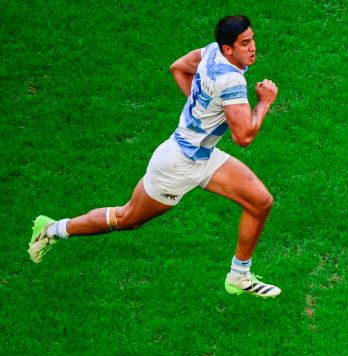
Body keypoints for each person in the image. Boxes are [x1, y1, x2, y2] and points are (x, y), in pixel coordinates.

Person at [28, 15, 281, 298]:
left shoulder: (210, 51)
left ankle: (239, 276)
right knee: (127, 219)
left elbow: (178, 68)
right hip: (176, 165)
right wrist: (265, 102)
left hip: (202, 155)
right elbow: (243, 137)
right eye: (244, 43)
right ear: (228, 49)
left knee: (260, 202)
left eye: (252, 39)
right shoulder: (231, 80)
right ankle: (51, 229)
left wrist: (199, 112)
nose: (252, 47)